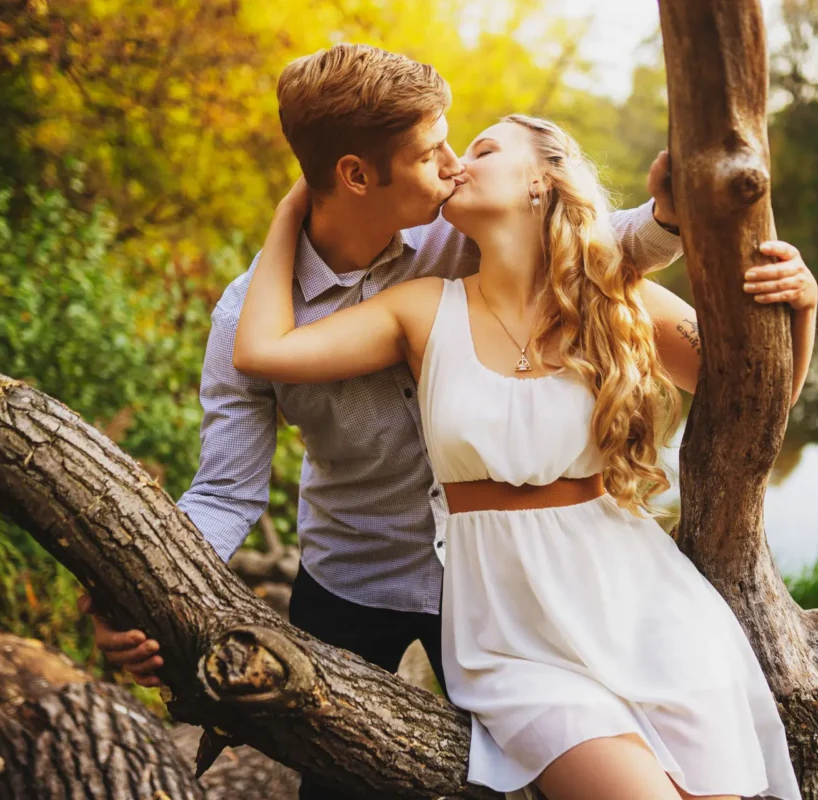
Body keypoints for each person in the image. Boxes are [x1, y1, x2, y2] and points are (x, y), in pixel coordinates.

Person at [78, 43, 728, 799]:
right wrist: (134, 594)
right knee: (335, 787)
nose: (454, 164)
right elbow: (226, 494)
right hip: (351, 577)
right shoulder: (246, 320)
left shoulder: (456, 233)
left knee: (533, 771)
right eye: (430, 152)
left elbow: (582, 236)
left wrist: (668, 217)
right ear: (355, 175)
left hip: (495, 582)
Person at [231, 111, 814, 800]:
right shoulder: (419, 310)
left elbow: (757, 402)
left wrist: (801, 307)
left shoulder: (611, 299)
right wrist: (287, 216)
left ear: (541, 182)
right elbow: (262, 351)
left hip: (642, 608)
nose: (455, 163)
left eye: (480, 149)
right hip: (514, 644)